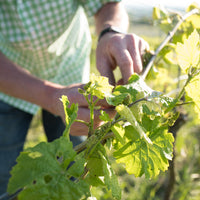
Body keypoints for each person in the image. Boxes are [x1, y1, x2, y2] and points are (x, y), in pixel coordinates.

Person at [0, 0, 149, 198]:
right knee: (5, 173)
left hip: (70, 73)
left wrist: (110, 32)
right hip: (10, 82)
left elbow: (108, 4)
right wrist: (51, 96)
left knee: (74, 168)